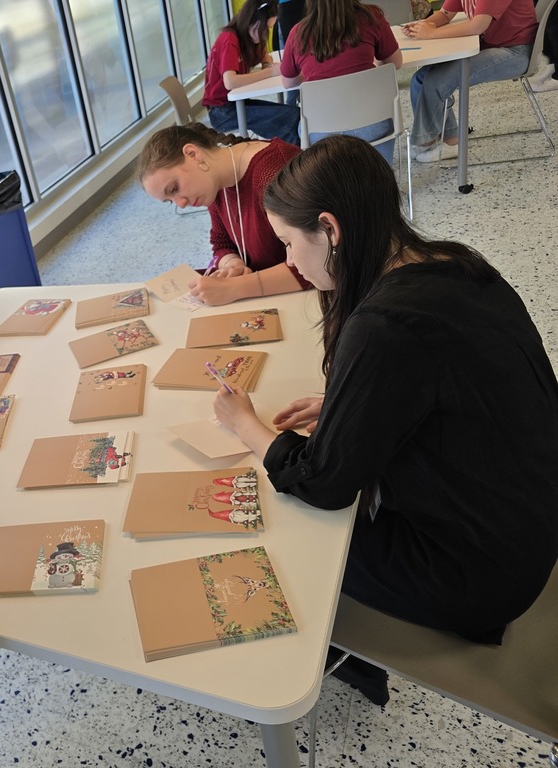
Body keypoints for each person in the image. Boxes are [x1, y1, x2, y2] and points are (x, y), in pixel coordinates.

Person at [211, 136, 558, 703]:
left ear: (330, 228)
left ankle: (317, 668)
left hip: (476, 573)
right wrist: (359, 402)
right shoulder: (453, 262)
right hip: (528, 524)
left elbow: (324, 484)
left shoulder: (384, 325)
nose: (290, 262)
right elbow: (451, 385)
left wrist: (247, 425)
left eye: (290, 244)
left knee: (280, 515)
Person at [138, 122, 311, 305]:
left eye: (174, 188)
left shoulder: (273, 171)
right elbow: (221, 242)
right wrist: (233, 265)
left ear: (192, 154)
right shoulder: (215, 184)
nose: (180, 204)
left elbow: (318, 260)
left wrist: (236, 287)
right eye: (170, 201)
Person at [404, 0, 538, 162]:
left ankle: (428, 141)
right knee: (421, 78)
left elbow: (477, 26)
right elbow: (445, 14)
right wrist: (422, 26)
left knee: (436, 82)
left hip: (516, 52)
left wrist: (430, 33)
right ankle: (451, 139)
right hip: (491, 45)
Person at [280, 0, 403, 162]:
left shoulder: (298, 33)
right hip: (374, 124)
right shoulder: (371, 17)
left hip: (321, 134)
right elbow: (395, 63)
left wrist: (311, 72)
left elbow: (288, 82)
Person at [203, 0, 301, 144]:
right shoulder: (229, 39)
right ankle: (294, 155)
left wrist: (267, 64)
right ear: (254, 23)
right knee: (289, 118)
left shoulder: (247, 36)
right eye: (265, 29)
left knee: (292, 114)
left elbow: (265, 56)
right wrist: (269, 72)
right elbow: (230, 82)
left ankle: (293, 152)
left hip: (238, 103)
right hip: (222, 112)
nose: (265, 35)